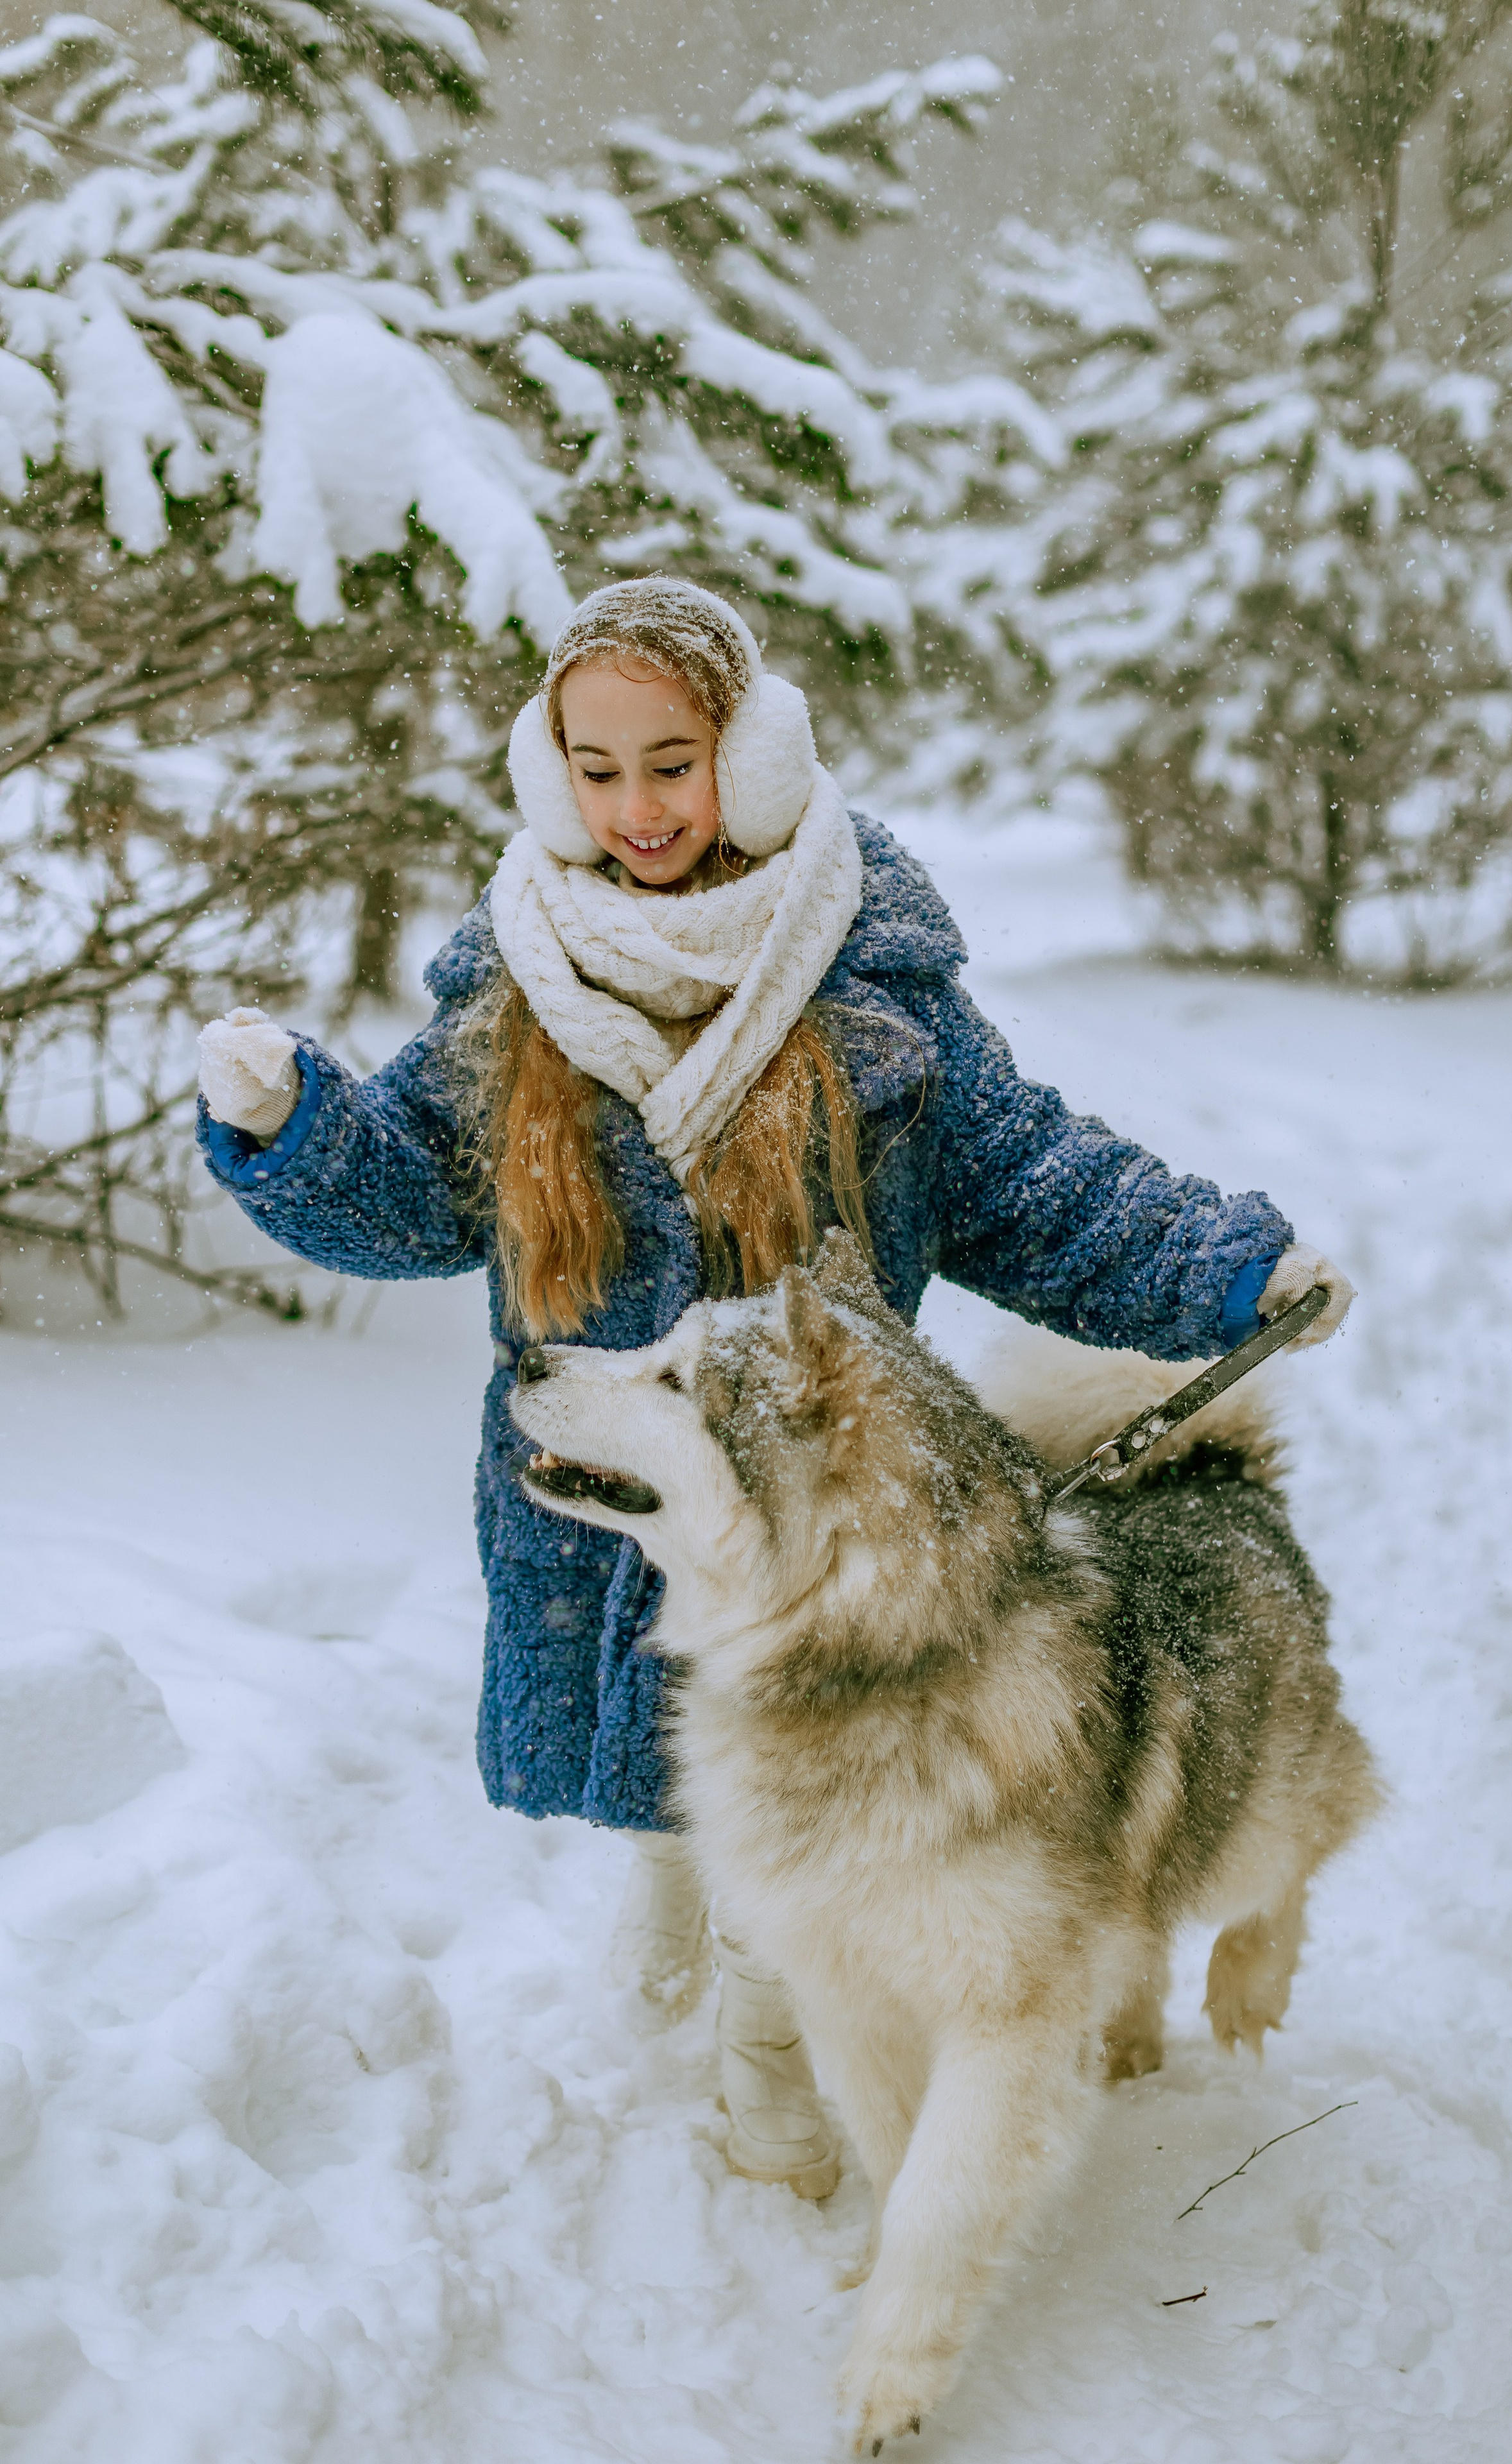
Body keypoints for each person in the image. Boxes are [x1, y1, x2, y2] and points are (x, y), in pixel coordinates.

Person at [196, 577, 1354, 2200]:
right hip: (617, 1482)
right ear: (548, 779)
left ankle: (769, 2101)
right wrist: (293, 1127)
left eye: (672, 762)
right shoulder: (512, 982)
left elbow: (1037, 1187)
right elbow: (401, 1196)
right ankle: (668, 1944)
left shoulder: (869, 980)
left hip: (818, 1502)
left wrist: (1225, 1267)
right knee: (675, 1780)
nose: (636, 808)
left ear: (750, 758)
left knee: (795, 1801)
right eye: (595, 771)